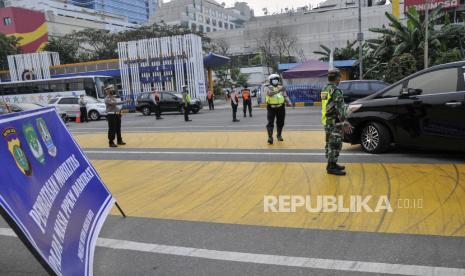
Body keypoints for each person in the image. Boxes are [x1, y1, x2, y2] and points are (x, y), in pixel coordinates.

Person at [321, 69, 352, 176]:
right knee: (335, 144)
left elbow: (327, 105)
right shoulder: (335, 91)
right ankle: (331, 167)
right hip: (334, 122)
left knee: (330, 143)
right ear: (337, 78)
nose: (340, 79)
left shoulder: (325, 89)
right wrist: (345, 121)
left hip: (327, 121)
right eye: (340, 77)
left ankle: (332, 164)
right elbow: (340, 109)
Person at [265, 74, 292, 145]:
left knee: (281, 122)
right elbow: (270, 94)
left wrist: (289, 102)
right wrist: (278, 90)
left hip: (281, 107)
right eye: (274, 79)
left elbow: (285, 95)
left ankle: (279, 135)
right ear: (270, 80)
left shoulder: (281, 87)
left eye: (276, 79)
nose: (275, 81)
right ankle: (270, 137)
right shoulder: (268, 87)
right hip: (271, 107)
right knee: (270, 122)